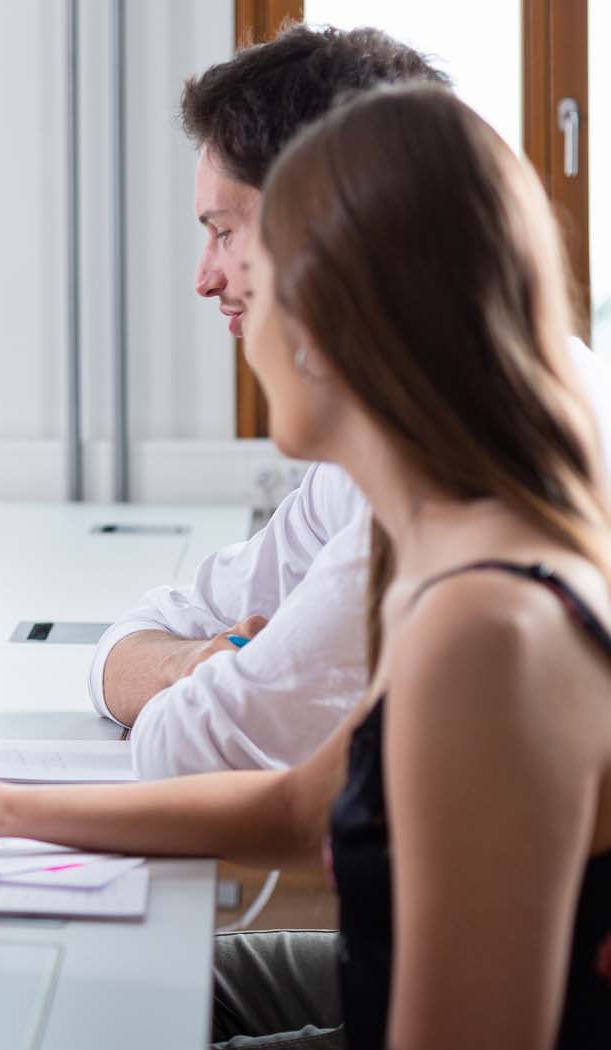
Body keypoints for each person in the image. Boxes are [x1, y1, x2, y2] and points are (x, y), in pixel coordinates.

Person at [0, 85, 611, 1050]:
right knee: (45, 1018)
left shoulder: (486, 628)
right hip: (423, 1027)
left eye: (256, 268)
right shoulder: (442, 544)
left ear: (350, 316)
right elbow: (306, 804)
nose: (230, 297)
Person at [91, 24, 611, 780]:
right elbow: (178, 632)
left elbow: (195, 747)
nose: (207, 279)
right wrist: (193, 667)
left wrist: (219, 676)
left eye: (227, 233)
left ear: (329, 233)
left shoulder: (449, 508)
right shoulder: (414, 421)